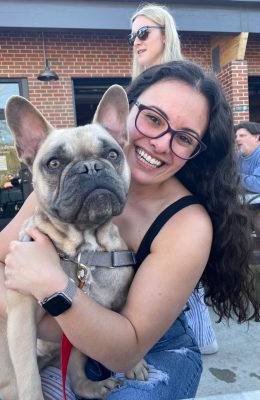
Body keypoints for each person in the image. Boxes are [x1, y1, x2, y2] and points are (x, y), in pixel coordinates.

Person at [0, 61, 259, 400]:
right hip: (59, 342)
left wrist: (50, 287)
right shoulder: (54, 190)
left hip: (149, 345)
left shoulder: (186, 223)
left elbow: (124, 351)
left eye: (183, 137)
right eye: (153, 118)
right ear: (126, 119)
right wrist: (37, 320)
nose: (161, 143)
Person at [130, 2, 218, 355]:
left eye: (143, 32)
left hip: (177, 205)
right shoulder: (138, 84)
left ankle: (196, 337)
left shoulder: (186, 83)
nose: (135, 41)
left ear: (166, 34)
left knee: (182, 283)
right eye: (132, 35)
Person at [235, 121, 260, 194]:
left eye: (242, 136)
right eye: (236, 136)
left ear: (256, 137)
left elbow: (258, 184)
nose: (237, 139)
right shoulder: (236, 156)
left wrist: (231, 175)